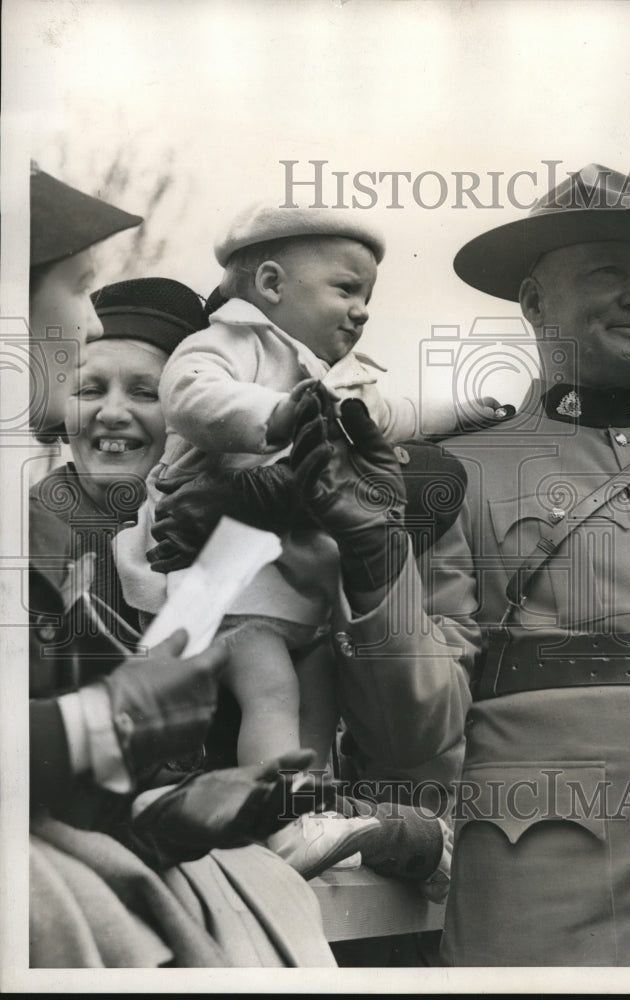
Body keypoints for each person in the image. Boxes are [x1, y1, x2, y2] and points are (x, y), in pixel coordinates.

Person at [278, 163, 630, 967]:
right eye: (607, 272)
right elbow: (410, 739)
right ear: (534, 302)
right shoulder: (451, 471)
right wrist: (375, 559)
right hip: (570, 905)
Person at [27, 165, 337, 968]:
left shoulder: (246, 538)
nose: (112, 411)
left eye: (146, 390)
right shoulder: (36, 527)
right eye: (78, 289)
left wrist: (167, 821)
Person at [116, 204, 492, 779]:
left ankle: (307, 800)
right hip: (219, 575)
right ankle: (267, 801)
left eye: (368, 296)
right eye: (346, 289)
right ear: (271, 284)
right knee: (272, 690)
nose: (362, 310)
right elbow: (190, 394)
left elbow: (394, 418)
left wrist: (463, 412)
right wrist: (275, 416)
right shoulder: (233, 343)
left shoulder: (342, 378)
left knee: (318, 689)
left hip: (292, 585)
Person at [29, 276, 208, 637]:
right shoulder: (23, 535)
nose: (112, 413)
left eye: (145, 393)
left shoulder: (230, 527)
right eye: (89, 389)